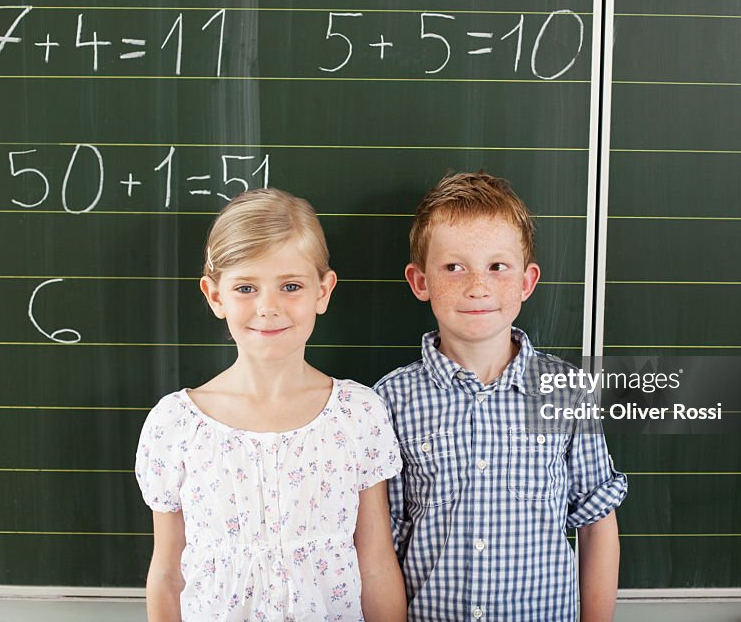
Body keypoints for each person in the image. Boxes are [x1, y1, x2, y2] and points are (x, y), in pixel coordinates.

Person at [136, 188, 406, 621]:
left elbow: (375, 563)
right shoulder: (176, 425)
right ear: (215, 295)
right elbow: (168, 574)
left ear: (323, 291)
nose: (268, 307)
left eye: (291, 286)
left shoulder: (358, 415)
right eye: (246, 287)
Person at [375, 172, 628, 621]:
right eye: (454, 267)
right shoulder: (390, 401)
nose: (478, 286)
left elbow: (596, 523)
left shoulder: (566, 393)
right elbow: (380, 542)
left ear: (527, 282)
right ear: (420, 281)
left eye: (497, 266)